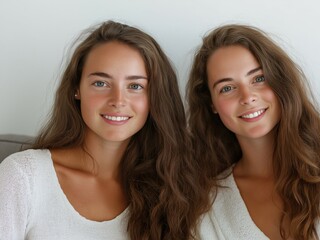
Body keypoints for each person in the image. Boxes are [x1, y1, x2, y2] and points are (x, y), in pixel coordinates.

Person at [0, 20, 203, 240]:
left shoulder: (173, 189)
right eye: (100, 83)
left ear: (154, 97)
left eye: (135, 86)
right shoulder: (23, 177)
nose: (118, 100)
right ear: (77, 88)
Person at [186, 24, 320, 240]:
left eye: (259, 78)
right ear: (211, 104)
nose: (247, 96)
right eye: (227, 88)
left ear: (281, 83)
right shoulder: (208, 204)